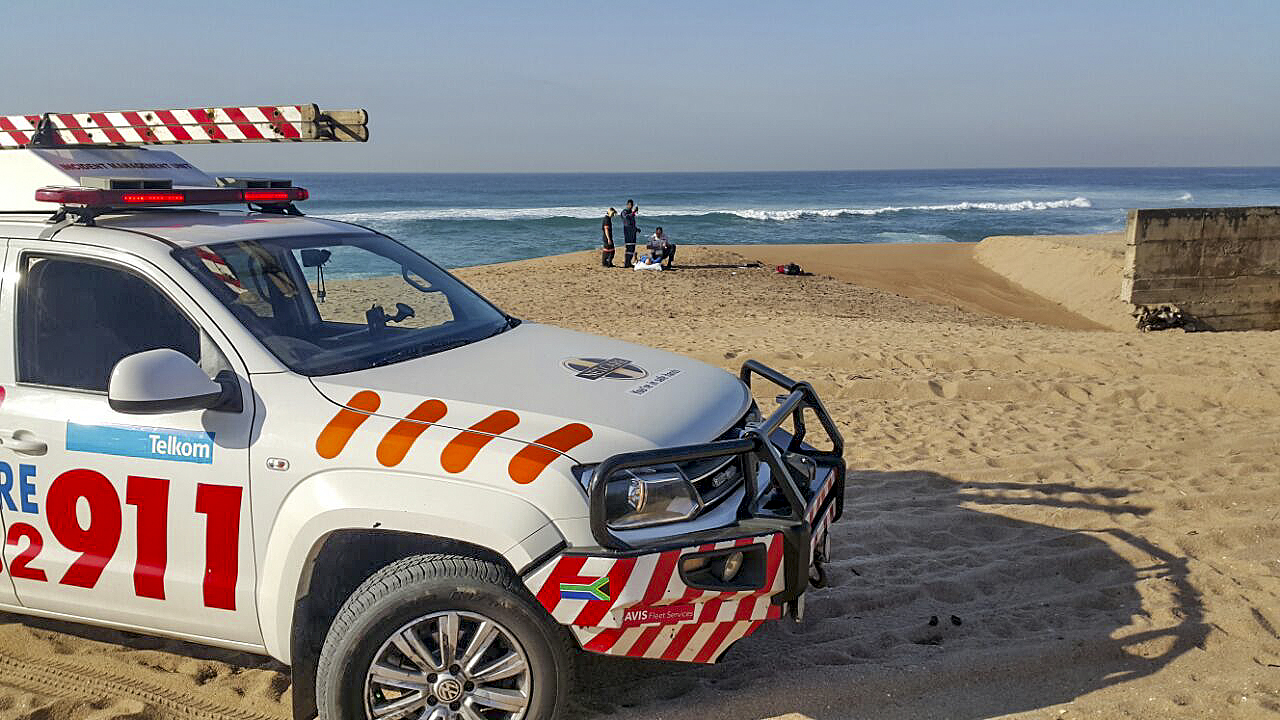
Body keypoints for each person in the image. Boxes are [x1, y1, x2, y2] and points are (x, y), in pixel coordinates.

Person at [620, 199, 639, 268]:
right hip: (628, 232)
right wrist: (633, 212)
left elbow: (632, 223)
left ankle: (629, 262)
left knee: (632, 248)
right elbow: (626, 218)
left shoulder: (631, 212)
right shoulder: (624, 212)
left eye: (632, 205)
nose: (631, 206)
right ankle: (626, 262)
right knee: (629, 247)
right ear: (627, 204)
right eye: (630, 205)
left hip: (633, 232)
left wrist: (636, 229)